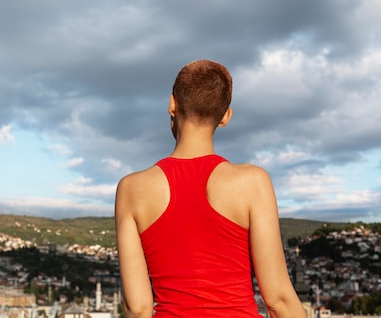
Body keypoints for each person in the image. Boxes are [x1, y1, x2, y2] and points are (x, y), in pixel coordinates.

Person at [115, 60, 306, 318]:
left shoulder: (131, 189)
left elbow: (137, 309)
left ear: (172, 105)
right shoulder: (253, 182)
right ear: (226, 116)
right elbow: (278, 300)